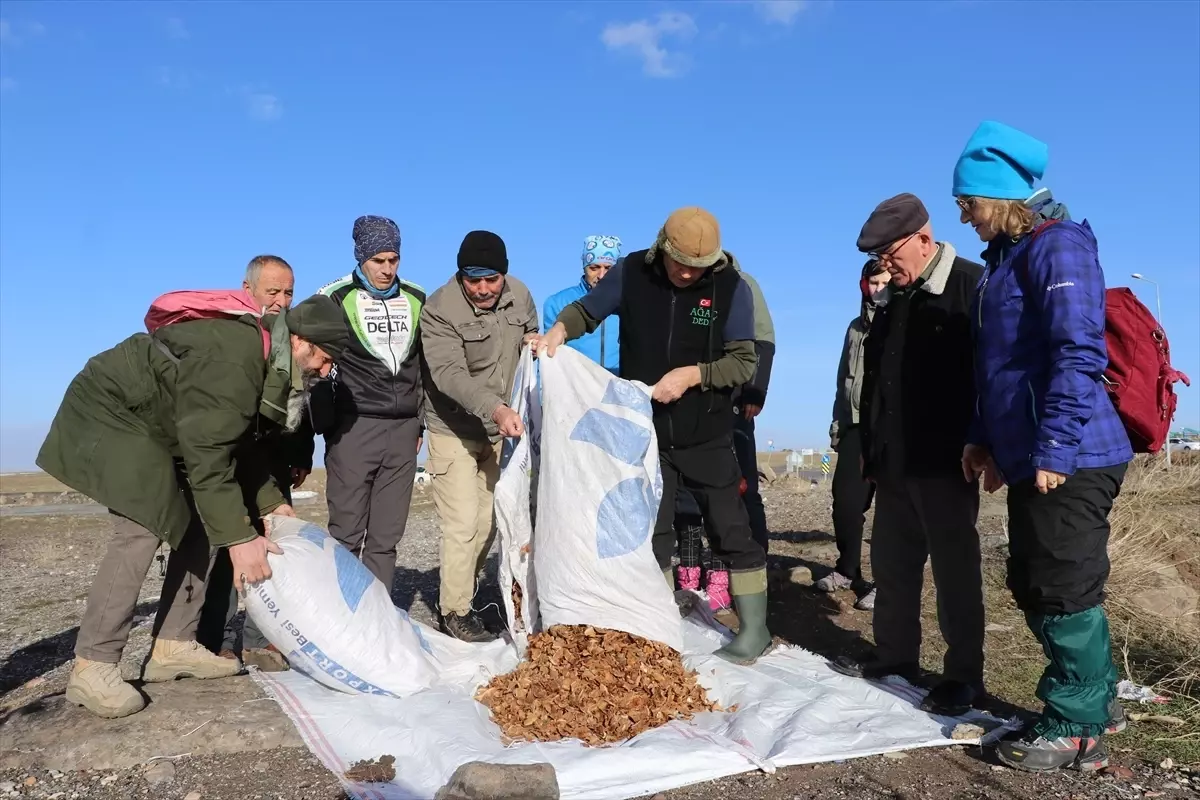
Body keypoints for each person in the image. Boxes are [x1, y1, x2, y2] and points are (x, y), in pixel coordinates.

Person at [36, 293, 348, 718]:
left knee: (205, 519)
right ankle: (93, 664)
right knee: (141, 529)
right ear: (299, 342)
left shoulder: (272, 365)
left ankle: (173, 645)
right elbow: (208, 454)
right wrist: (241, 538)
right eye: (325, 360)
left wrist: (272, 505)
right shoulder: (236, 361)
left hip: (164, 426)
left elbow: (240, 443)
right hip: (113, 413)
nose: (325, 372)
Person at [954, 120, 1134, 772]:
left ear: (999, 197)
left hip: (1076, 453)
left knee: (1061, 588)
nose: (964, 217)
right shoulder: (1005, 260)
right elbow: (998, 366)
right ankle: (1098, 703)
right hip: (1033, 452)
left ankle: (1075, 728)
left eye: (968, 204)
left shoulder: (1059, 248)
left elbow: (1078, 351)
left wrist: (1055, 445)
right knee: (1036, 581)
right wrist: (982, 439)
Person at [538, 207, 771, 664]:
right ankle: (655, 626)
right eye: (680, 262)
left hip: (707, 430)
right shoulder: (631, 273)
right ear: (662, 247)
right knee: (652, 531)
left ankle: (755, 630)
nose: (687, 273)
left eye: (698, 267)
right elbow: (588, 309)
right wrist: (560, 331)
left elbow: (744, 362)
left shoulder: (731, 289)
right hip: (645, 433)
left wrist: (693, 375)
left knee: (729, 528)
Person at [831, 193, 987, 717]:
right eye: (878, 259)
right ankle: (895, 657)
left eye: (891, 254)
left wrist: (984, 441)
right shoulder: (894, 298)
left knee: (954, 574)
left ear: (924, 239)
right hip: (892, 462)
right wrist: (868, 449)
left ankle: (963, 676)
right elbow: (875, 381)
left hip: (947, 462)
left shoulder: (970, 285)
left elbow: (991, 376)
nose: (885, 265)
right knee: (893, 568)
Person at [198, 256, 315, 671]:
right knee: (227, 547)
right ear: (248, 291)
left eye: (288, 292)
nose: (282, 301)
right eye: (273, 292)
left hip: (274, 462)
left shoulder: (294, 332)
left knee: (274, 544)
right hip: (232, 461)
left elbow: (300, 402)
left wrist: (302, 454)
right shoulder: (233, 334)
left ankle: (261, 640)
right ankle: (214, 639)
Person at [421, 230, 538, 642]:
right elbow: (449, 375)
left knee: (489, 522)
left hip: (499, 431)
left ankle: (463, 598)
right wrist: (496, 408)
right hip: (453, 428)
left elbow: (529, 341)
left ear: (504, 275)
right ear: (461, 275)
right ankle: (453, 612)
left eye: (492, 279)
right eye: (474, 280)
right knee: (462, 524)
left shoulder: (520, 295)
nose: (484, 289)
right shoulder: (439, 309)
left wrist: (535, 344)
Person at [309, 216, 426, 594]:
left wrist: (420, 422)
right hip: (353, 426)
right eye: (379, 261)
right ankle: (338, 620)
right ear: (361, 257)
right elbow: (308, 357)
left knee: (386, 536)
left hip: (404, 428)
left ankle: (378, 623)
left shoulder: (417, 297)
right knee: (345, 532)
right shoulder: (333, 297)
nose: (387, 269)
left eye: (394, 259)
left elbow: (426, 365)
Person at [674, 254, 775, 609]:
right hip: (694, 397)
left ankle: (754, 570)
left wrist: (754, 390)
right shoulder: (685, 286)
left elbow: (763, 341)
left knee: (741, 487)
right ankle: (692, 573)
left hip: (734, 397)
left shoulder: (743, 284)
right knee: (689, 495)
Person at [819, 260, 892, 611]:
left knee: (891, 511)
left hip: (891, 429)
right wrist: (837, 427)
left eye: (884, 281)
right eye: (872, 283)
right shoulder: (853, 329)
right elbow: (842, 381)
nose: (878, 289)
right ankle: (847, 569)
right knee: (846, 504)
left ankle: (886, 582)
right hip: (854, 427)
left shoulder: (900, 321)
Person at [542, 235, 622, 374]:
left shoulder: (626, 303)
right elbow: (547, 355)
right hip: (575, 390)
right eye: (594, 268)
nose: (601, 275)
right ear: (584, 267)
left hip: (618, 389)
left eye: (608, 268)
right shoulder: (556, 302)